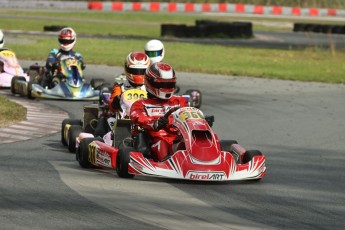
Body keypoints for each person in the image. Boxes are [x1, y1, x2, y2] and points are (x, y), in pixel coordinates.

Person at [130, 62, 189, 162]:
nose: (166, 88)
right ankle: (168, 162)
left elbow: (188, 116)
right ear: (150, 82)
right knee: (161, 143)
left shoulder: (179, 101)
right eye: (163, 84)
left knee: (192, 141)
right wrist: (154, 123)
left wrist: (201, 121)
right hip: (154, 142)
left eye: (169, 84)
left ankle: (205, 159)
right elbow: (140, 119)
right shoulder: (140, 104)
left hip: (178, 139)